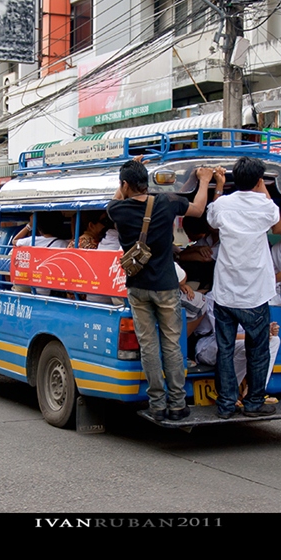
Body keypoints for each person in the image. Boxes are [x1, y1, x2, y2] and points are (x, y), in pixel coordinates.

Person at [107, 158, 214, 422]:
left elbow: (117, 197)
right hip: (167, 287)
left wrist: (127, 173)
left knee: (149, 346)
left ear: (124, 184)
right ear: (147, 182)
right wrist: (203, 180)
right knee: (172, 345)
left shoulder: (117, 210)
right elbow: (199, 209)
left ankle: (157, 404)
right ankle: (177, 404)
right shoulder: (167, 202)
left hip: (138, 288)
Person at [206, 158, 279, 419]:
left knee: (225, 350)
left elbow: (211, 219)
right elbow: (274, 215)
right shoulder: (265, 206)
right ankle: (253, 403)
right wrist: (261, 187)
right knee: (257, 350)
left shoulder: (223, 204)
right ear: (259, 181)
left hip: (225, 291)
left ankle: (226, 405)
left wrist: (219, 186)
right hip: (255, 292)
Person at [187, 291, 280, 404]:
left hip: (240, 342)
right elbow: (224, 335)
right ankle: (225, 391)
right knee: (247, 346)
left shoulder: (252, 296)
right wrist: (259, 336)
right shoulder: (215, 297)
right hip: (209, 345)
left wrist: (267, 330)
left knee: (274, 340)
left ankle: (254, 391)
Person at [11, 213, 71, 294]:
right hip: (54, 287)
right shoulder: (63, 244)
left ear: (39, 227)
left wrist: (30, 225)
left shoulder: (32, 240)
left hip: (35, 285)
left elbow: (14, 240)